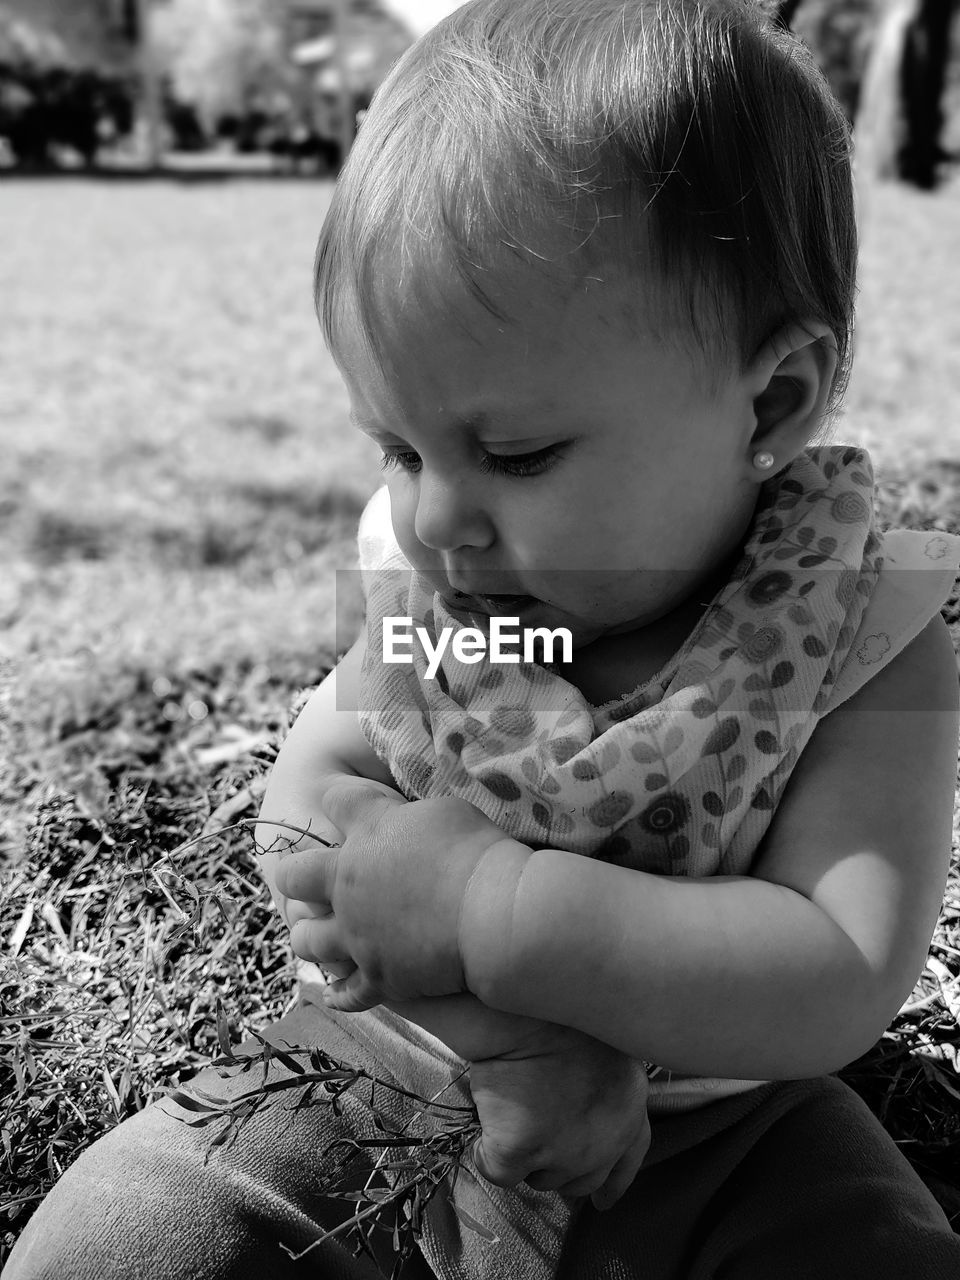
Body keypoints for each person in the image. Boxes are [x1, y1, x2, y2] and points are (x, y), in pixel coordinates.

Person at [6, 1, 960, 1278]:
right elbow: (302, 818)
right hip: (390, 1068)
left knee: (870, 1246)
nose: (436, 512)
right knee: (127, 1233)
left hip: (723, 1130)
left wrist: (497, 906)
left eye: (515, 453)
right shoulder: (433, 584)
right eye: (398, 448)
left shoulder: (857, 629)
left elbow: (835, 969)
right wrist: (510, 1028)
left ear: (771, 400)